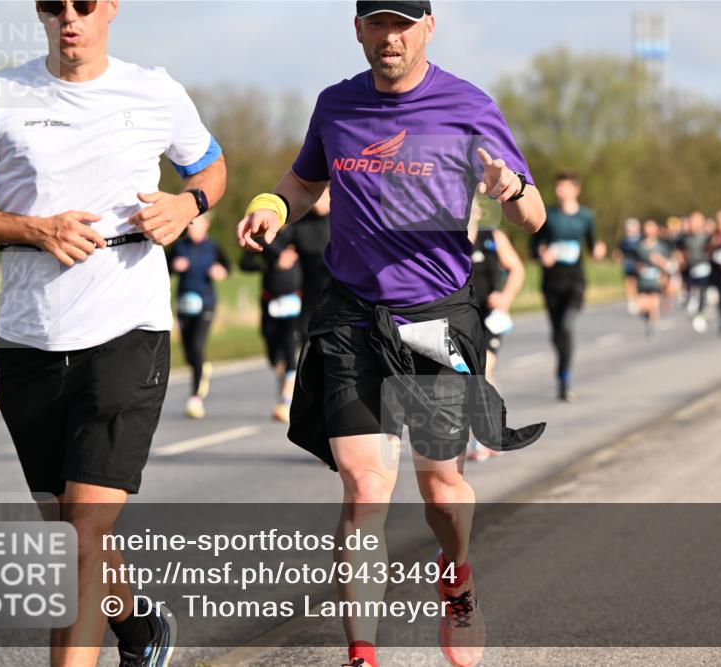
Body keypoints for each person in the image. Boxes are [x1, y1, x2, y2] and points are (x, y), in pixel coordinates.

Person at [235, 3, 546, 666]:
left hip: (436, 321)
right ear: (358, 29)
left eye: (403, 23)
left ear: (428, 26)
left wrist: (509, 186)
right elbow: (303, 180)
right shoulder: (336, 105)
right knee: (365, 486)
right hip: (353, 318)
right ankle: (361, 653)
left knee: (442, 490)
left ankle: (457, 580)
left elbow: (534, 215)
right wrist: (271, 206)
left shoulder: (468, 105)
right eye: (377, 23)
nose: (390, 37)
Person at [0, 2, 226, 665]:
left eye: (83, 3)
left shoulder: (154, 89)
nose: (69, 16)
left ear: (110, 8)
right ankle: (138, 628)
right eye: (53, 4)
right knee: (72, 535)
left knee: (81, 536)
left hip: (127, 329)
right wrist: (34, 228)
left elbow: (210, 167)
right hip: (29, 339)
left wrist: (187, 202)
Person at [531, 171, 606, 401]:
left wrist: (598, 250)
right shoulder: (548, 215)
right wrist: (542, 254)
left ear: (575, 190)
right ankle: (562, 367)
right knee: (556, 334)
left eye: (564, 187)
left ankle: (564, 379)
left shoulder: (586, 216)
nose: (559, 191)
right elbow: (535, 244)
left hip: (575, 281)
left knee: (566, 326)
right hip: (552, 281)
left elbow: (593, 244)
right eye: (557, 187)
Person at [465, 198, 525, 462]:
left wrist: (505, 297)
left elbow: (517, 270)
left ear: (478, 211)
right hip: (462, 320)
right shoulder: (447, 241)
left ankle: (482, 439)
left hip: (490, 318)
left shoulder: (493, 237)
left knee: (482, 372)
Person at [169, 213, 230, 419]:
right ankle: (201, 367)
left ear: (207, 225)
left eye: (197, 224)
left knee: (197, 346)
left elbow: (227, 268)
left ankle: (195, 398)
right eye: (191, 224)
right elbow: (165, 269)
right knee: (188, 351)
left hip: (206, 303)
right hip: (184, 303)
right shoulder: (179, 246)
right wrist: (174, 266)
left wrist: (220, 272)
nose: (193, 227)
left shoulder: (213, 247)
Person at [240, 228, 304, 423]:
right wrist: (270, 265)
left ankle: (286, 400)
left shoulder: (297, 234)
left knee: (290, 347)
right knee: (273, 353)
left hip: (294, 301)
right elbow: (244, 263)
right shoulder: (262, 237)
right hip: (270, 302)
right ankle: (285, 387)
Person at [289, 187, 333, 346]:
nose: (318, 202)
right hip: (309, 299)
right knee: (307, 339)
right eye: (315, 197)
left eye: (322, 196)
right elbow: (276, 245)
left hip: (339, 298)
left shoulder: (344, 221)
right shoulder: (298, 223)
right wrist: (281, 256)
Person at [633, 219, 673, 338]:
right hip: (643, 281)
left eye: (651, 228)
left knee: (654, 303)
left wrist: (660, 262)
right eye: (647, 228)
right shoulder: (639, 247)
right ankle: (647, 317)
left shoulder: (662, 247)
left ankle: (652, 326)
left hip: (657, 280)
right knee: (642, 306)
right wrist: (639, 268)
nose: (649, 231)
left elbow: (669, 266)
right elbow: (634, 264)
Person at [677, 211, 711, 332]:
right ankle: (690, 300)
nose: (694, 224)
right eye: (692, 221)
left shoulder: (707, 237)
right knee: (690, 288)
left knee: (702, 290)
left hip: (703, 266)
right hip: (689, 268)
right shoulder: (683, 238)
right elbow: (678, 250)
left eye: (697, 221)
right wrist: (680, 258)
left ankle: (700, 313)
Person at [614, 218, 642, 314]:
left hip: (640, 264)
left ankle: (638, 299)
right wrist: (618, 258)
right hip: (628, 263)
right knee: (629, 281)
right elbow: (619, 252)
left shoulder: (642, 239)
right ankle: (631, 300)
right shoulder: (624, 240)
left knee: (639, 283)